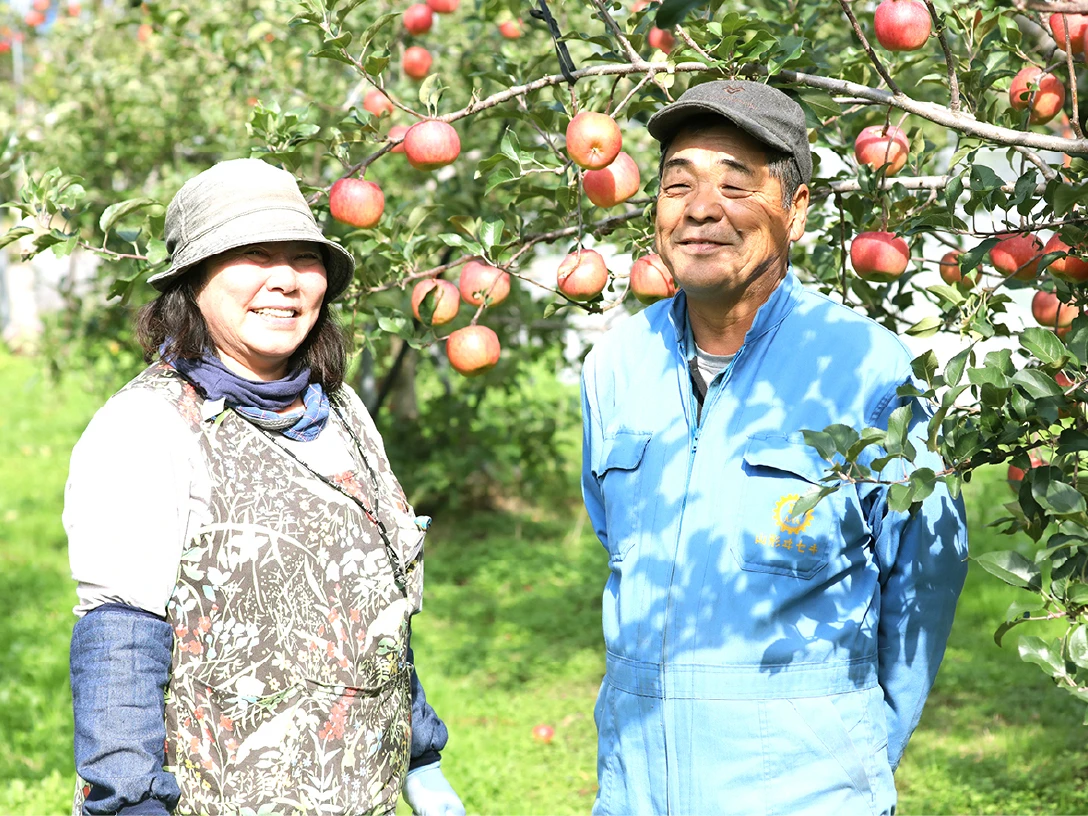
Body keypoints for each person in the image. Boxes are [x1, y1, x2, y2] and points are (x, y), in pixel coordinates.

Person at [580, 81, 968, 815]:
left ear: (796, 209)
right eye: (677, 185)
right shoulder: (616, 366)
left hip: (810, 794)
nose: (700, 208)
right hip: (636, 792)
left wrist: (865, 748)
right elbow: (615, 541)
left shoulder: (865, 367)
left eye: (735, 184)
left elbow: (926, 573)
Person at [65, 158, 465, 816]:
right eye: (252, 254)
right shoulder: (148, 429)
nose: (284, 279)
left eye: (302, 258)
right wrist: (128, 803)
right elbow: (120, 639)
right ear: (193, 282)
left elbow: (370, 610)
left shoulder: (342, 413)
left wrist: (421, 756)